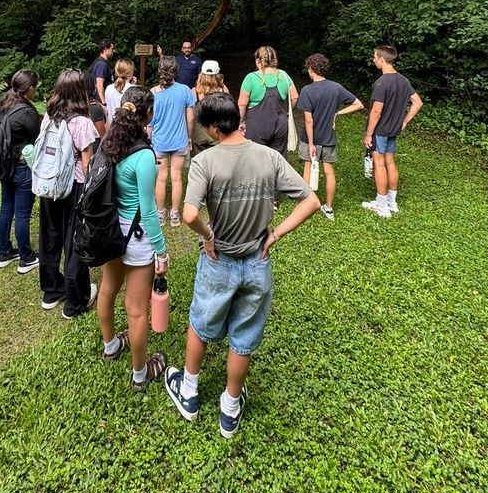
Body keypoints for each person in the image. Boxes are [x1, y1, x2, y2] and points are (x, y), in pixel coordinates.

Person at [164, 94, 320, 438]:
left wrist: (208, 236)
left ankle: (188, 390)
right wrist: (274, 234)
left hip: (219, 261)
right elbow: (311, 200)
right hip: (257, 262)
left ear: (213, 127)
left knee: (202, 322)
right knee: (244, 336)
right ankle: (230, 408)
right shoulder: (269, 157)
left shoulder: (205, 162)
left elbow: (189, 214)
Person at [97, 86, 169, 390]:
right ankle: (141, 373)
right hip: (136, 235)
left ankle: (111, 344)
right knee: (137, 310)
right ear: (147, 114)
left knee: (107, 289)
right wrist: (161, 250)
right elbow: (149, 210)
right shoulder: (143, 156)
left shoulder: (109, 142)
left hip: (110, 229)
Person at [39, 69, 98, 318]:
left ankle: (52, 289)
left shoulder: (48, 116)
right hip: (73, 188)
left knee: (50, 236)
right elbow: (88, 163)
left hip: (49, 186)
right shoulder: (82, 122)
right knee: (75, 241)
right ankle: (76, 302)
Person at [297, 54, 364, 221]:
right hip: (328, 138)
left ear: (311, 69)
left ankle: (306, 205)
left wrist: (311, 143)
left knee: (307, 169)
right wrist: (337, 113)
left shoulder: (307, 90)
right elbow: (359, 104)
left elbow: (308, 120)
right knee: (329, 172)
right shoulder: (336, 88)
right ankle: (328, 207)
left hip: (311, 139)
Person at [362, 45, 423, 218]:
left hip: (380, 130)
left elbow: (376, 111)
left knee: (379, 163)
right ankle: (391, 202)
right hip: (394, 130)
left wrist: (368, 134)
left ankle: (382, 206)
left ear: (382, 59)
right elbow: (417, 102)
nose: (373, 60)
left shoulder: (381, 83)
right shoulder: (403, 80)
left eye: (375, 57)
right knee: (390, 162)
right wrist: (404, 121)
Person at [0, 70, 41, 274]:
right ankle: (26, 258)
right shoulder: (25, 111)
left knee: (6, 209)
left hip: (5, 166)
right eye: (36, 86)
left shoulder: (4, 104)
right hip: (22, 168)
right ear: (29, 88)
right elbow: (37, 137)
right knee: (22, 214)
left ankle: (5, 253)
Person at [148, 56, 196, 227]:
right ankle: (175, 214)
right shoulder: (185, 91)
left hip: (159, 141)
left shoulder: (152, 93)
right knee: (177, 178)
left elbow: (149, 121)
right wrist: (189, 137)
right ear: (176, 71)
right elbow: (190, 119)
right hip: (179, 140)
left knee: (161, 178)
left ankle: (161, 214)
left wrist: (149, 138)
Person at [238, 46, 299, 158]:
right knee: (278, 159)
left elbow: (242, 104)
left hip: (257, 124)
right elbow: (295, 97)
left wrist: (241, 122)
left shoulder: (251, 77)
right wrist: (288, 113)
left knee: (256, 158)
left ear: (258, 60)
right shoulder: (284, 75)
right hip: (281, 123)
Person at [191, 60, 229, 156]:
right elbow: (228, 111)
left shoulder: (195, 91)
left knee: (199, 162)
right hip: (217, 132)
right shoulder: (224, 90)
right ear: (218, 75)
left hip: (199, 132)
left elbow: (191, 116)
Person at [105, 58, 135, 125]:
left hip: (112, 128)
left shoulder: (108, 88)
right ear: (131, 72)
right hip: (128, 129)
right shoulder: (134, 89)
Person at [87, 39, 115, 110]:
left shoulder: (99, 62)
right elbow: (99, 84)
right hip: (99, 101)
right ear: (105, 49)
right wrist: (104, 103)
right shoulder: (101, 65)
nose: (113, 51)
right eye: (112, 49)